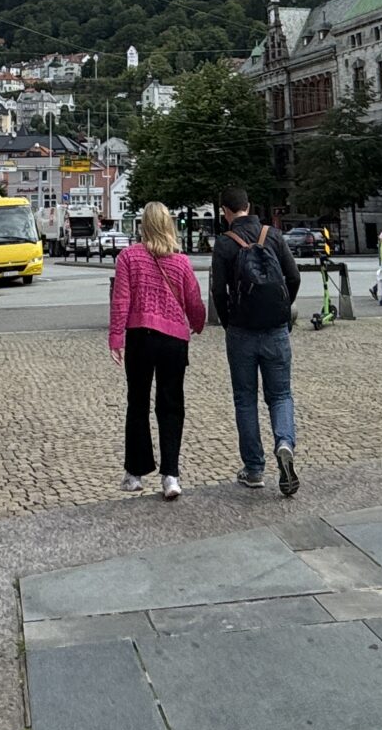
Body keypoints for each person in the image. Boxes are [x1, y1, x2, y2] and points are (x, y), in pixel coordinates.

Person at [110, 202, 206, 499]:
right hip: (173, 340)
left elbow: (121, 300)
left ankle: (135, 473)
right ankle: (171, 475)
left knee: (137, 401)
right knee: (171, 404)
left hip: (140, 336)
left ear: (143, 225)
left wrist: (116, 337)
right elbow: (194, 300)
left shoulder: (128, 257)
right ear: (168, 225)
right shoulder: (181, 262)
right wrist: (198, 323)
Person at [210, 186, 302, 495]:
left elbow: (218, 291)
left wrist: (229, 322)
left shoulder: (225, 243)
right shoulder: (272, 236)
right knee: (281, 395)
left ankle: (253, 469)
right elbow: (294, 277)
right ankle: (285, 443)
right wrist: (282, 308)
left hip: (241, 332)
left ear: (225, 211)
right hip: (275, 329)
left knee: (245, 399)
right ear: (248, 206)